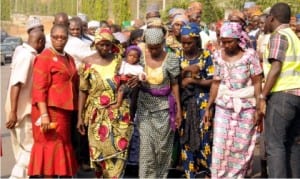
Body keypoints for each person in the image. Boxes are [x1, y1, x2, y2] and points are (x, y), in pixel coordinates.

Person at [203, 22, 263, 178]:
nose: (226, 45)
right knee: (220, 146)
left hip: (246, 107)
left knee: (240, 147)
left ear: (238, 39)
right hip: (224, 105)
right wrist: (209, 106)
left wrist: (259, 107)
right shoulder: (217, 55)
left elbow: (257, 81)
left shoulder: (250, 55)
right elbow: (216, 82)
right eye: (223, 41)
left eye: (230, 41)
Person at [76, 28, 134, 178]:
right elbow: (83, 91)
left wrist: (130, 84)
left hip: (119, 114)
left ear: (111, 44)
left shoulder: (119, 60)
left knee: (120, 154)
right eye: (101, 44)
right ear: (95, 44)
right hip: (96, 116)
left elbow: (127, 81)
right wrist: (80, 118)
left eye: (107, 45)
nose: (104, 48)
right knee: (100, 160)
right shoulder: (87, 63)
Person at [28, 24, 78, 177]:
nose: (59, 40)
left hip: (64, 112)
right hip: (48, 112)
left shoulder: (69, 58)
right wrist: (44, 115)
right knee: (49, 150)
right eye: (56, 37)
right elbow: (39, 89)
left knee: (61, 148)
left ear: (67, 38)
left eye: (63, 37)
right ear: (51, 37)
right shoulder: (44, 58)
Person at [136, 28, 182, 178]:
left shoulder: (172, 59)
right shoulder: (141, 57)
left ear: (163, 43)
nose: (154, 51)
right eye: (151, 48)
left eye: (157, 47)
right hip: (145, 108)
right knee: (146, 149)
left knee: (162, 149)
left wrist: (179, 111)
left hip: (164, 109)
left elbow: (175, 84)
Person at [261, 3, 300, 178]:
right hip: (296, 96)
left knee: (274, 145)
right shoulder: (294, 37)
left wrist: (263, 95)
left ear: (272, 18)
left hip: (282, 95)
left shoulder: (279, 36)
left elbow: (276, 67)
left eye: (266, 19)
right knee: (292, 144)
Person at [5, 29, 45, 179]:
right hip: (22, 113)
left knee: (22, 152)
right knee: (27, 154)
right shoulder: (27, 56)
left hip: (18, 111)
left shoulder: (20, 51)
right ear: (39, 42)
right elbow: (16, 84)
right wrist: (14, 112)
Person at [178, 23, 214, 178]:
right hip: (184, 102)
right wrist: (186, 70)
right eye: (183, 43)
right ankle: (190, 174)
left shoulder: (205, 55)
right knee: (185, 138)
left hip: (203, 101)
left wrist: (193, 82)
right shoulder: (178, 56)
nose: (186, 46)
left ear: (196, 41)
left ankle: (206, 172)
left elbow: (213, 81)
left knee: (204, 138)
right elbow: (173, 80)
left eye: (189, 43)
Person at [111, 45, 145, 109]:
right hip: (123, 81)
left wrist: (138, 77)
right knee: (119, 89)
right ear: (126, 56)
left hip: (132, 85)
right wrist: (122, 75)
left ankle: (118, 103)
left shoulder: (139, 67)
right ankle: (117, 101)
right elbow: (119, 73)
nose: (132, 58)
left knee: (122, 89)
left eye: (135, 57)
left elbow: (142, 75)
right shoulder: (123, 64)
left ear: (138, 58)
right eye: (130, 56)